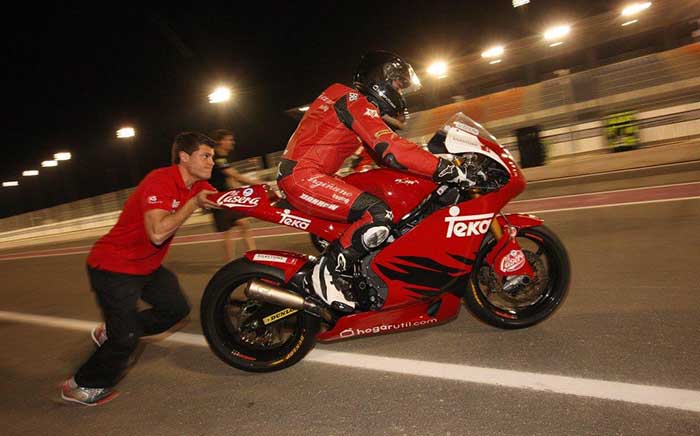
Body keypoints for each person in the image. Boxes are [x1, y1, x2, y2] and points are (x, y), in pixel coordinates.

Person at [277, 50, 471, 312]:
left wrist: (429, 167)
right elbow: (391, 149)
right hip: (304, 177)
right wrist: (444, 168)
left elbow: (386, 157)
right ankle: (327, 276)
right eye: (397, 85)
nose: (400, 93)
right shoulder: (353, 100)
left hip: (309, 175)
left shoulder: (350, 101)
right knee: (377, 212)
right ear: (381, 79)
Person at [60, 132, 220, 406]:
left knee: (176, 310)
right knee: (128, 337)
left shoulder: (199, 186)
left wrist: (276, 197)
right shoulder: (160, 180)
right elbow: (157, 233)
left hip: (148, 266)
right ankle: (81, 385)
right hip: (113, 266)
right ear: (184, 157)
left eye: (213, 157)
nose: (212, 162)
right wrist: (193, 204)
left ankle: (111, 332)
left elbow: (235, 201)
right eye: (205, 155)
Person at [209, 129, 259, 261]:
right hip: (218, 199)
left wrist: (240, 194)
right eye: (229, 139)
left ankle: (252, 257)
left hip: (224, 198)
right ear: (221, 141)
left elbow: (230, 179)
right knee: (230, 230)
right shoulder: (217, 158)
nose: (232, 142)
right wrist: (257, 183)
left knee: (242, 225)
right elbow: (234, 175)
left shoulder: (221, 159)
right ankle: (233, 261)